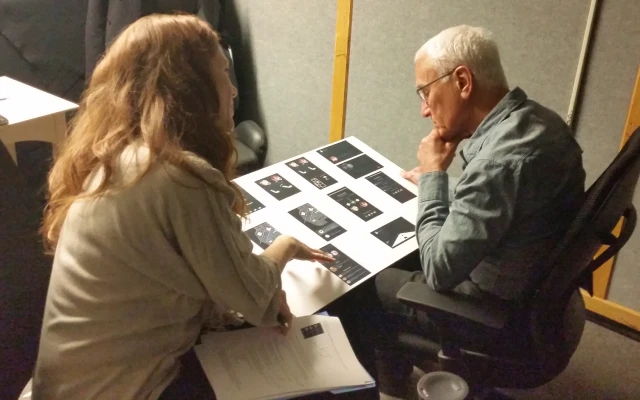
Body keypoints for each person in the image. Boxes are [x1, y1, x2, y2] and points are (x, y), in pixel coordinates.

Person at [33, 14, 333, 400]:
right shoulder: (179, 177)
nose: (233, 90)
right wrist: (287, 245)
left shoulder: (115, 160)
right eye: (223, 72)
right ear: (191, 86)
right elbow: (257, 298)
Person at [334, 25, 586, 398]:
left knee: (351, 284)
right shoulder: (542, 124)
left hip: (492, 313)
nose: (424, 110)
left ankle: (385, 386)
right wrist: (444, 189)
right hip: (536, 295)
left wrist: (436, 174)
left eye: (426, 92)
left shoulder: (498, 163)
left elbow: (438, 269)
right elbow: (510, 201)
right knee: (400, 250)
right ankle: (399, 371)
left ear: (463, 81)